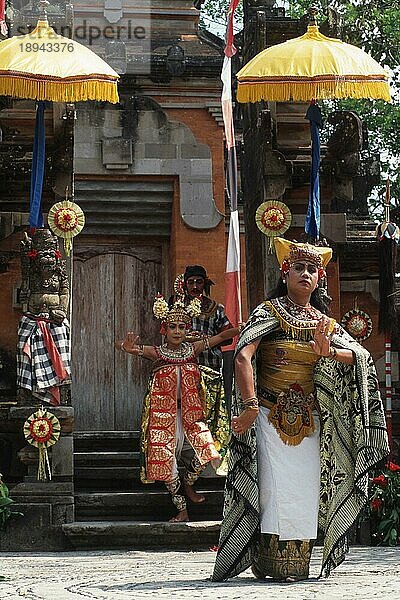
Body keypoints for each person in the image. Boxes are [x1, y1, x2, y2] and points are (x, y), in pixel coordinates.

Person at [212, 237, 389, 582]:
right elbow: (243, 356)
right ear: (285, 272)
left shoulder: (324, 322)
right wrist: (248, 407)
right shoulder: (267, 312)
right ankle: (267, 561)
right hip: (266, 413)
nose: (306, 273)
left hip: (309, 420)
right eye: (299, 268)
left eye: (312, 269)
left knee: (305, 489)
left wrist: (329, 354)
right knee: (271, 488)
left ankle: (297, 562)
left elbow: (362, 356)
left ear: (319, 278)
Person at [115, 294, 239, 523]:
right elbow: (127, 348)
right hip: (164, 417)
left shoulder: (193, 350)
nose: (177, 331)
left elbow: (221, 336)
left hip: (191, 415)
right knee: (166, 463)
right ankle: (182, 509)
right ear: (164, 329)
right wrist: (126, 346)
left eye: (182, 327)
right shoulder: (157, 352)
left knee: (207, 452)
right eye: (172, 326)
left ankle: (189, 484)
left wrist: (237, 329)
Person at [179, 265, 233, 372]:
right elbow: (167, 337)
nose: (195, 287)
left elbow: (228, 338)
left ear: (205, 284)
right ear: (185, 284)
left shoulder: (216, 308)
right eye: (190, 282)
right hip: (182, 365)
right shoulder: (176, 307)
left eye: (199, 282)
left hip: (209, 365)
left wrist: (210, 340)